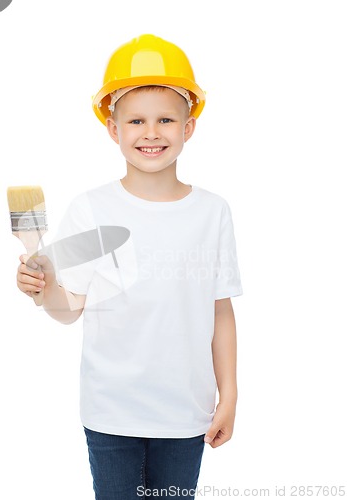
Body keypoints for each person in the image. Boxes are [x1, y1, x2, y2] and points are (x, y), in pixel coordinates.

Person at [16, 34, 243, 500]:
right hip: (110, 412)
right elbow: (69, 308)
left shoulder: (213, 211)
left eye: (166, 119)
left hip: (186, 411)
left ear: (189, 127)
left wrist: (230, 394)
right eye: (136, 120)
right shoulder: (91, 208)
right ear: (113, 129)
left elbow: (219, 309)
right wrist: (43, 290)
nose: (151, 132)